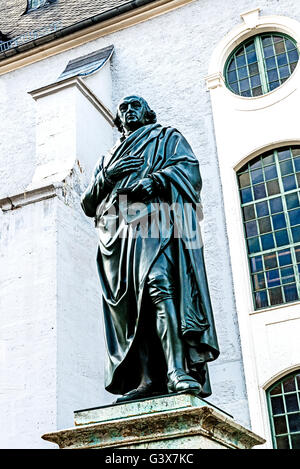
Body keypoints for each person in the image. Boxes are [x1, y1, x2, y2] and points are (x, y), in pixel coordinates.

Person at [81, 95, 219, 402]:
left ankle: (176, 370)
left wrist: (155, 182)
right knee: (132, 309)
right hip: (115, 236)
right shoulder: (108, 157)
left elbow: (190, 171)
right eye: (123, 108)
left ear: (147, 112)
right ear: (118, 120)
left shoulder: (166, 138)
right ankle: (144, 379)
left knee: (159, 284)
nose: (129, 110)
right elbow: (88, 204)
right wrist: (108, 176)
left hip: (153, 222)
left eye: (135, 105)